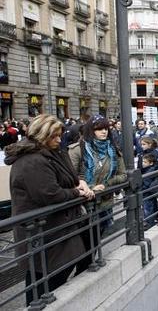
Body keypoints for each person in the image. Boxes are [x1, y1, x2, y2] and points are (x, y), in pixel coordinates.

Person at [5, 114, 95, 306]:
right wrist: (78, 192)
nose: (59, 139)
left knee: (56, 273)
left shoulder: (52, 153)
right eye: (54, 136)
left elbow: (70, 178)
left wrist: (81, 182)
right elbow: (50, 194)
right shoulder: (31, 161)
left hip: (57, 228)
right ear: (41, 135)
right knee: (43, 281)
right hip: (42, 232)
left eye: (60, 135)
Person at [68, 114, 126, 233]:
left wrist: (106, 184)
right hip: (83, 202)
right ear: (91, 130)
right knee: (84, 239)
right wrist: (89, 188)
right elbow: (69, 178)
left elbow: (123, 175)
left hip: (104, 201)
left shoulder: (113, 149)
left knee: (99, 234)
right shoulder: (77, 150)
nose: (104, 131)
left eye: (106, 128)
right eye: (99, 129)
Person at [140, 153, 158, 229]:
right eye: (143, 161)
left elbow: (146, 183)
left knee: (148, 210)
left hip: (146, 194)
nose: (143, 163)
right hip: (149, 194)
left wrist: (140, 189)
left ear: (151, 163)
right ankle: (152, 221)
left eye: (145, 162)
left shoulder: (149, 171)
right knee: (151, 208)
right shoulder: (150, 169)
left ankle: (150, 224)